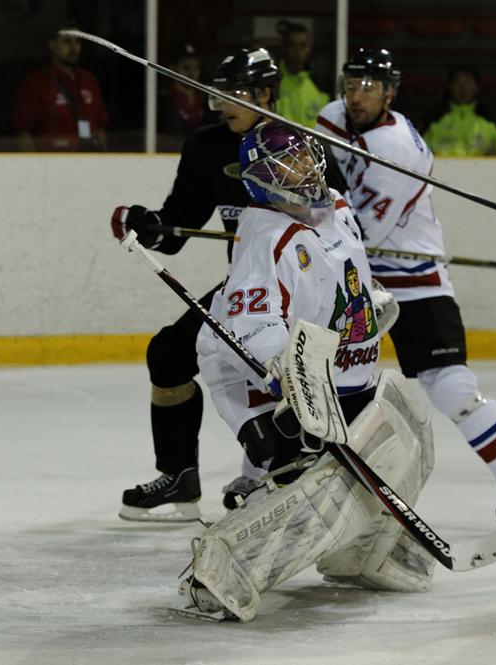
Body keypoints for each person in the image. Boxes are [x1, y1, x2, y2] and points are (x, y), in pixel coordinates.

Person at [178, 121, 432, 622]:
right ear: (261, 180)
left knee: (412, 427)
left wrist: (369, 306)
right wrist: (290, 380)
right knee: (321, 497)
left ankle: (361, 556)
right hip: (304, 391)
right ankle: (218, 573)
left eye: (303, 156)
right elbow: (249, 329)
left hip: (351, 377)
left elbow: (348, 276)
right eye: (286, 162)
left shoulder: (335, 209)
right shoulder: (265, 239)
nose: (303, 167)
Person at [316, 49, 496, 525]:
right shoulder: (337, 116)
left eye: (369, 87)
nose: (357, 96)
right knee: (319, 380)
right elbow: (324, 146)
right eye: (351, 85)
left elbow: (364, 232)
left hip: (413, 281)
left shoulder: (396, 149)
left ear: (390, 93)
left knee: (451, 387)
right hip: (360, 279)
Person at [111, 49, 281, 522]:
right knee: (167, 354)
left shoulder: (295, 145)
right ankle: (180, 478)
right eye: (220, 93)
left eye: (240, 94)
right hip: (245, 289)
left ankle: (286, 469)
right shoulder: (207, 146)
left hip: (295, 290)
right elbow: (180, 225)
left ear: (268, 95)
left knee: (278, 374)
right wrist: (154, 226)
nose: (226, 103)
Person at [13, 21, 109, 151]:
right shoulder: (36, 83)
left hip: (87, 160)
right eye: (67, 41)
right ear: (52, 45)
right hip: (51, 161)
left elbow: (100, 127)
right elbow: (24, 134)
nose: (73, 47)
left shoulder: (89, 80)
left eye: (77, 42)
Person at [422, 66, 496, 156]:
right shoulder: (434, 119)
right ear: (450, 86)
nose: (463, 88)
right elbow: (419, 150)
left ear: (477, 87)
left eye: (468, 82)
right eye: (458, 82)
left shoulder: (489, 119)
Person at [157, 43, 217, 152]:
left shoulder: (208, 98)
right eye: (185, 67)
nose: (191, 73)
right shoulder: (160, 100)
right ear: (172, 68)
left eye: (196, 67)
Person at [276, 21, 330, 128]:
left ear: (309, 48)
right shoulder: (273, 82)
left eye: (303, 45)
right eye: (292, 45)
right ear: (283, 47)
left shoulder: (320, 85)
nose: (298, 52)